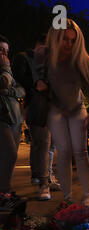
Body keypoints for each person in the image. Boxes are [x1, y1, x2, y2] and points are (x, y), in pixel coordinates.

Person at [34, 19, 89, 207]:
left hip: (77, 108)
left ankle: (88, 196)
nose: (69, 44)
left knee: (80, 151)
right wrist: (38, 83)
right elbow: (35, 75)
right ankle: (67, 197)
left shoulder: (83, 61)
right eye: (65, 39)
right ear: (55, 38)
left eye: (73, 40)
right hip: (55, 108)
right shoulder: (43, 56)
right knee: (63, 152)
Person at [12, 34, 61, 200]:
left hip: (50, 105)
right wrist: (35, 84)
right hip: (37, 106)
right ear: (39, 45)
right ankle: (43, 183)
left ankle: (40, 176)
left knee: (45, 145)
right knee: (43, 143)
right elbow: (17, 77)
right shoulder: (23, 58)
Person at [0, 35, 25, 203]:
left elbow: (22, 91)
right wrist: (6, 68)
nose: (4, 55)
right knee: (9, 154)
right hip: (2, 118)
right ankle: (3, 193)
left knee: (9, 156)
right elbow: (3, 83)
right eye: (0, 50)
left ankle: (5, 192)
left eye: (6, 51)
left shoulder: (7, 71)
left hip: (13, 118)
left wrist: (8, 91)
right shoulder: (5, 69)